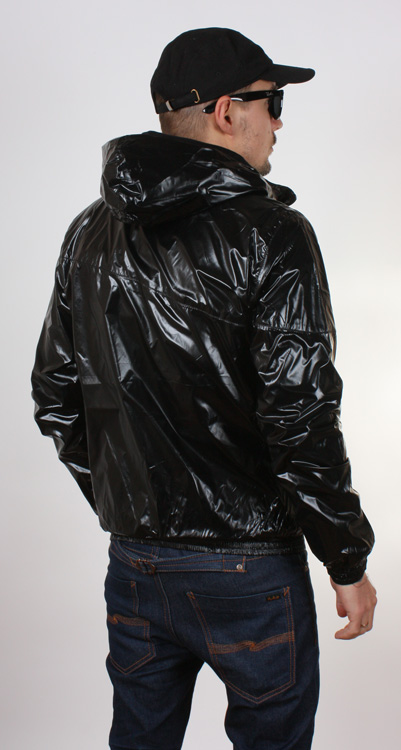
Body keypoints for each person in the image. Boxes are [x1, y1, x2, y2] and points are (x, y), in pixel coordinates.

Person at [31, 27, 377, 750]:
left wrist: (134, 503)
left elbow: (57, 394)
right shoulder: (273, 233)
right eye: (273, 102)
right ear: (226, 110)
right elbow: (300, 414)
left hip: (136, 565)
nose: (278, 122)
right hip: (250, 569)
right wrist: (345, 560)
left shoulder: (90, 231)